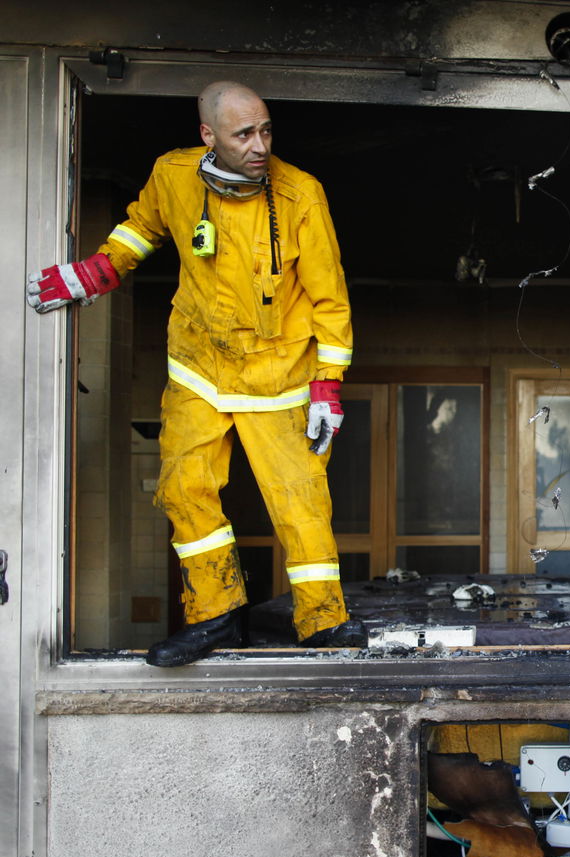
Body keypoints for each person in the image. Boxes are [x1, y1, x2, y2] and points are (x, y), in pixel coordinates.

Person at [26, 81, 365, 665]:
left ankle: (324, 623)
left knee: (299, 504)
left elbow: (330, 299)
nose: (260, 146)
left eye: (265, 130)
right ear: (208, 135)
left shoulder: (300, 195)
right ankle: (214, 615)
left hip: (278, 376)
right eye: (243, 134)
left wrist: (327, 385)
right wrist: (99, 271)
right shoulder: (173, 175)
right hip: (199, 368)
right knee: (184, 489)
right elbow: (144, 226)